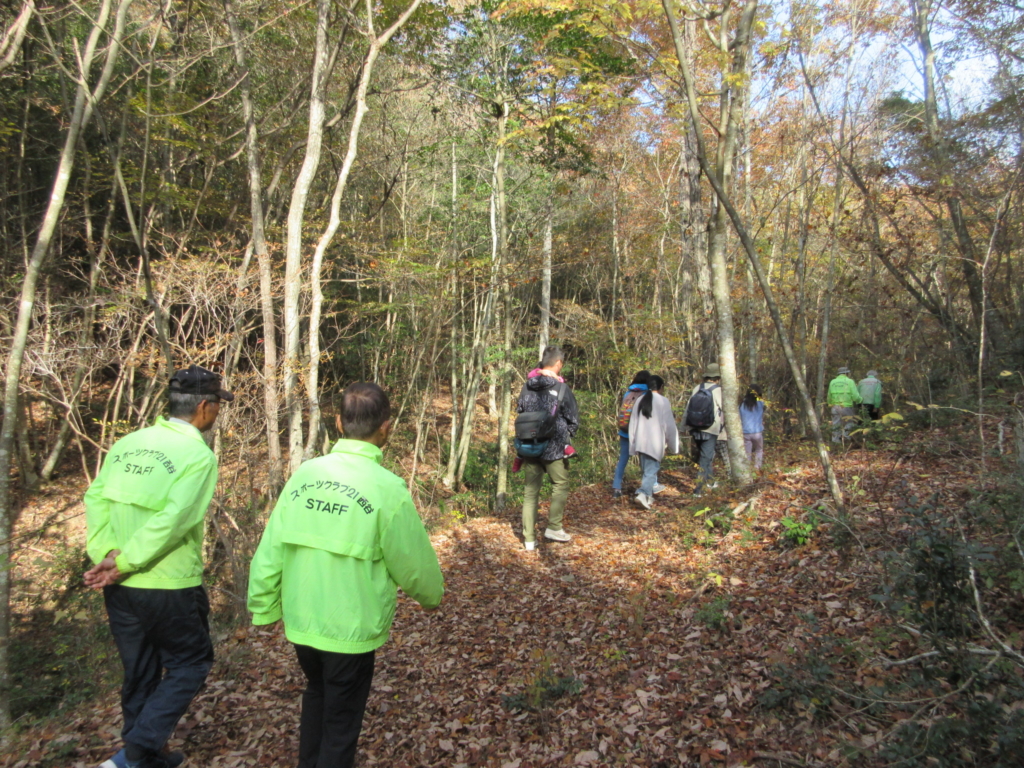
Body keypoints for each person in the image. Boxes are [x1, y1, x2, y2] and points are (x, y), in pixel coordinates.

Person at [247, 382, 444, 768]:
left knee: (317, 694)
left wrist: (264, 605)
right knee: (340, 721)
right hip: (350, 630)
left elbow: (271, 547)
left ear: (338, 422)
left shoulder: (306, 475)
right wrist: (431, 596)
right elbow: (413, 561)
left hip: (302, 623)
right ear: (386, 428)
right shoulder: (387, 488)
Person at [85, 365, 233, 768]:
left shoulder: (128, 444)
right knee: (191, 663)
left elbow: (95, 498)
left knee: (140, 670)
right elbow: (174, 520)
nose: (218, 412)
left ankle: (145, 760)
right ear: (203, 407)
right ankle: (134, 753)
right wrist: (124, 561)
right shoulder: (196, 456)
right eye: (218, 405)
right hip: (168, 584)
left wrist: (107, 554)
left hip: (121, 585)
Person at [517, 346, 579, 550]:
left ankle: (529, 539)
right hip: (554, 446)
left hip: (530, 445)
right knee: (560, 484)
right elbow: (573, 418)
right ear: (558, 363)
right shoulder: (561, 388)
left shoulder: (527, 386)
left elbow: (520, 410)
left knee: (530, 492)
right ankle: (553, 527)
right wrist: (566, 437)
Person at [629, 375, 679, 509]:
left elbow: (632, 424)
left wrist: (632, 445)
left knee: (647, 471)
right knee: (651, 472)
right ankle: (643, 494)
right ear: (661, 387)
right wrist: (674, 446)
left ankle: (649, 498)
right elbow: (669, 425)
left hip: (640, 442)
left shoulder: (639, 400)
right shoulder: (663, 401)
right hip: (655, 443)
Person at [685, 363, 725, 496]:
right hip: (710, 429)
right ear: (718, 377)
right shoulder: (718, 390)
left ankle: (711, 482)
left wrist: (683, 427)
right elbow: (725, 410)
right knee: (705, 459)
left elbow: (688, 409)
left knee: (705, 456)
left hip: (695, 428)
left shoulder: (697, 388)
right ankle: (698, 490)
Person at [612, 370, 651, 499]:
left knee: (623, 459)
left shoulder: (628, 393)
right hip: (640, 433)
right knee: (645, 461)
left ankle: (616, 487)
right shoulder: (648, 394)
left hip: (625, 432)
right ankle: (647, 488)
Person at [827, 366, 862, 443]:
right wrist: (860, 400)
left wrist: (830, 404)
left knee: (836, 424)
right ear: (847, 373)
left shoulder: (832, 382)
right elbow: (855, 395)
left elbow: (829, 395)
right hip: (846, 406)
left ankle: (836, 442)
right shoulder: (850, 381)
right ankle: (845, 436)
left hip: (835, 407)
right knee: (850, 422)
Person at [739, 384, 766, 471]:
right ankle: (757, 467)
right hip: (757, 432)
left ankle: (748, 469)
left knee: (748, 453)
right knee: (759, 450)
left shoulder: (742, 404)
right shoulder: (761, 403)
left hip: (745, 432)